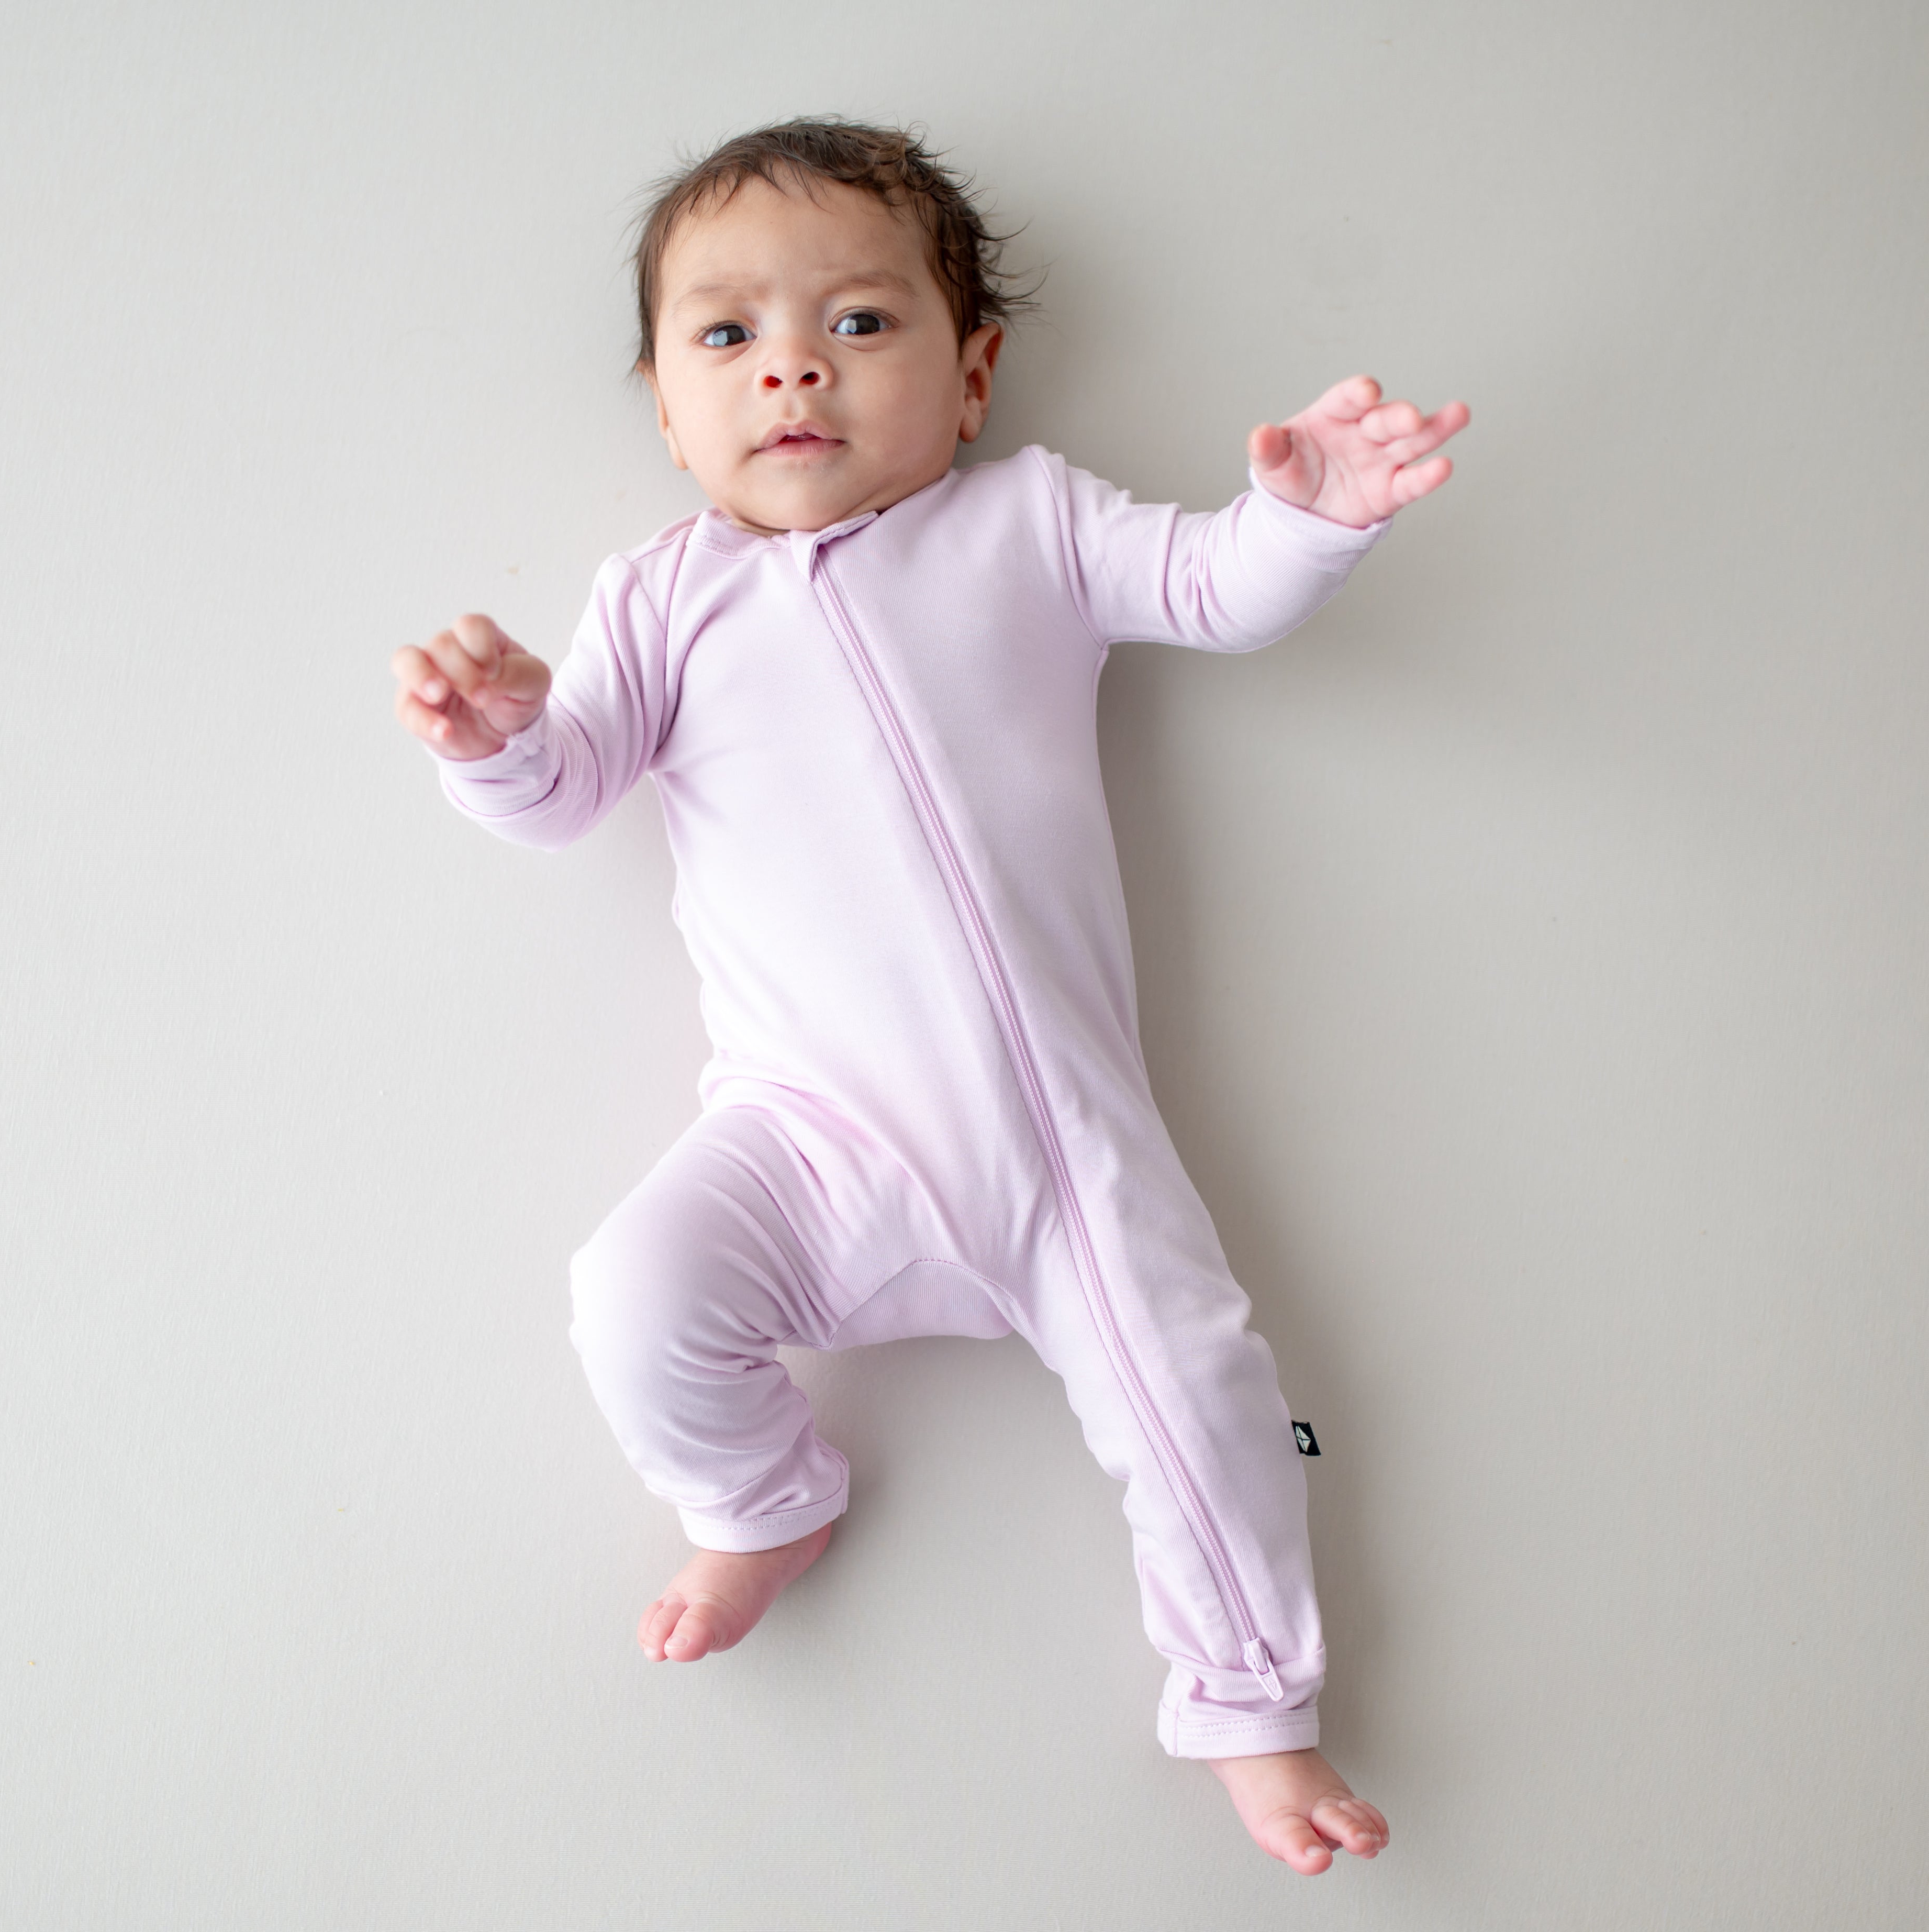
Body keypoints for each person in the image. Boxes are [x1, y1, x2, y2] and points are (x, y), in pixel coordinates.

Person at [391, 118, 1466, 1873]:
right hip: (805, 1137)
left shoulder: (1026, 524)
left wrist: (1305, 518)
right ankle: (762, 1501)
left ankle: (1251, 1709)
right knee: (629, 1295)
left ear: (970, 379)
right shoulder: (663, 597)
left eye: (861, 324)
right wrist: (502, 729)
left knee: (1205, 1393)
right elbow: (571, 788)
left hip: (1061, 1146)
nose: (793, 364)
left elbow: (1206, 582)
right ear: (668, 410)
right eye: (725, 335)